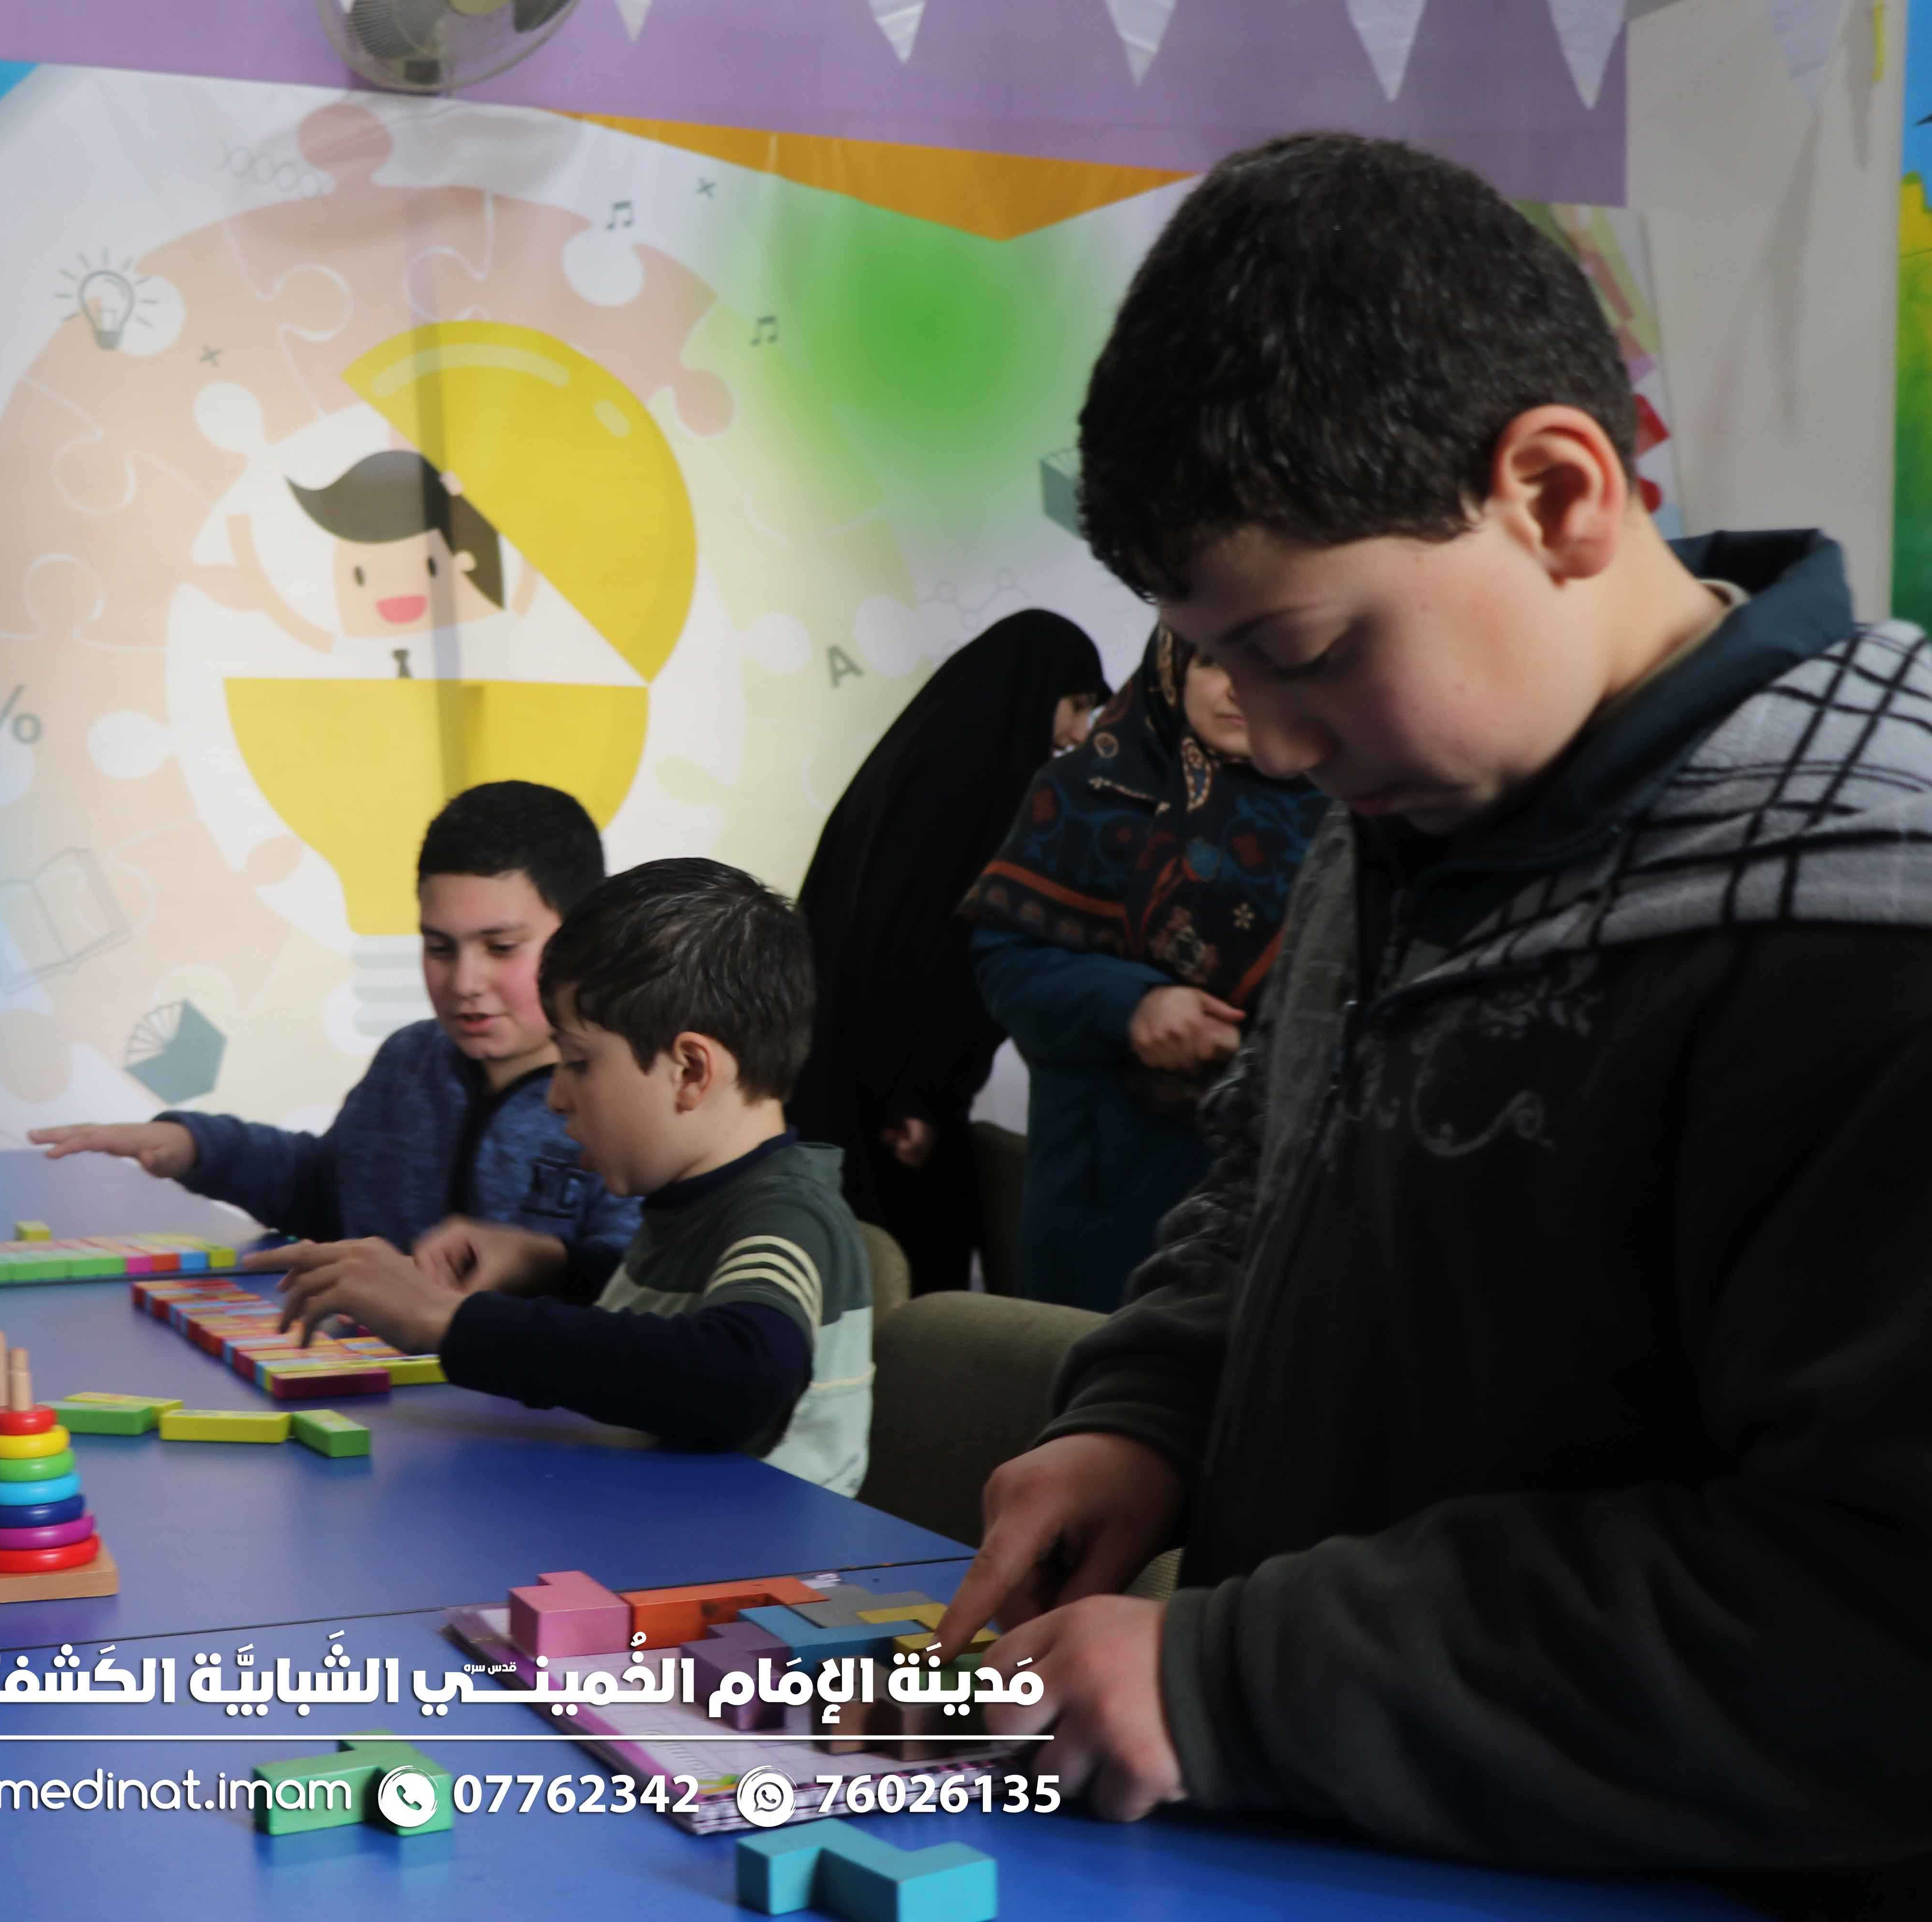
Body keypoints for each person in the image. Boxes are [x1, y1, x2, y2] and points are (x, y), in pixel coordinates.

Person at [929, 132, 1932, 1905]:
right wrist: (1148, 1407)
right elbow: (1275, 1168)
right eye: (1218, 664)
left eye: (1306, 650)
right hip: (1334, 1836)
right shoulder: (1407, 813)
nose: (1269, 736)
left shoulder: (1868, 919)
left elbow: (1874, 1617)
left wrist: (1238, 1680)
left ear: (1552, 492)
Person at [262, 858, 874, 1494]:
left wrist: (445, 1319)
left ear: (691, 1072)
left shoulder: (785, 1216)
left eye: (578, 1062)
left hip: (756, 1549)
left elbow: (737, 1375)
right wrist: (551, 1265)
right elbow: (658, 1329)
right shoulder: (696, 1199)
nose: (557, 1097)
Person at [32, 781, 637, 1269]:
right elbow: (321, 1189)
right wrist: (194, 1147)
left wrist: (541, 1267)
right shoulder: (408, 1061)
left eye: (501, 948)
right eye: (439, 947)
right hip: (369, 1377)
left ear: (580, 938)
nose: (465, 981)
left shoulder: (629, 1096)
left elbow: (635, 1283)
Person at [961, 627, 1327, 1311]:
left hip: (1289, 1181)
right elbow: (1005, 961)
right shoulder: (1085, 790)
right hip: (1109, 1179)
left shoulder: (1352, 812)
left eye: (1263, 664)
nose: (1237, 688)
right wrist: (1135, 1005)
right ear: (1173, 670)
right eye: (1213, 661)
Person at [791, 609, 1111, 1293]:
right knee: (905, 1293)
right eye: (1076, 705)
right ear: (1034, 693)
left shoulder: (919, 757)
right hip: (897, 1109)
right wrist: (916, 1094)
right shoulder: (981, 788)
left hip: (840, 1073)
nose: (1079, 732)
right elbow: (928, 952)